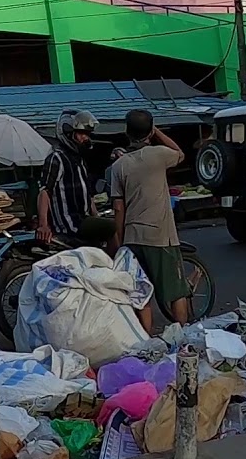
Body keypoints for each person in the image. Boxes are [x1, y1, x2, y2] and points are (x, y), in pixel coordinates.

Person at [110, 109, 189, 332]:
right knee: (175, 291)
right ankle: (182, 337)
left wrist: (121, 240)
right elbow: (180, 153)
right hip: (160, 235)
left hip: (133, 236)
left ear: (127, 132)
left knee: (140, 293)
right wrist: (157, 133)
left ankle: (145, 340)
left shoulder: (119, 166)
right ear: (150, 130)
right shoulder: (159, 154)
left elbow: (118, 207)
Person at [37, 109, 113, 245]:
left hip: (84, 219)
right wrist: (43, 225)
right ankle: (115, 265)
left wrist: (96, 216)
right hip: (71, 223)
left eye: (87, 134)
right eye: (81, 133)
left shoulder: (79, 160)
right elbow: (44, 191)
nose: (86, 138)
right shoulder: (57, 158)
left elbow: (88, 196)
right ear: (67, 133)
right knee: (114, 226)